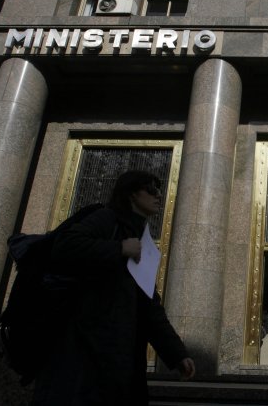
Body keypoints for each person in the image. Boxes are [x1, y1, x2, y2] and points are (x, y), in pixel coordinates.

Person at [32, 170, 196, 406]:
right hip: (84, 353)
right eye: (151, 189)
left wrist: (177, 354)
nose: (159, 195)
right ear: (132, 193)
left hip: (122, 357)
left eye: (159, 189)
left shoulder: (141, 239)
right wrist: (119, 249)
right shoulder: (107, 219)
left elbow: (148, 305)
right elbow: (65, 246)